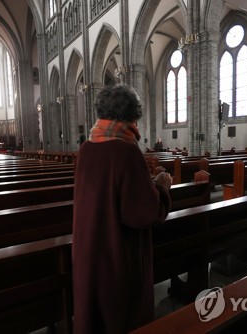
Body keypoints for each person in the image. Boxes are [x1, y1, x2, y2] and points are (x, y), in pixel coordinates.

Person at [73, 84, 172, 334]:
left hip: (89, 250)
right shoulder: (127, 151)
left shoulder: (86, 149)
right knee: (120, 318)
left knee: (95, 315)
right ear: (132, 116)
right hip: (117, 254)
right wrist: (161, 188)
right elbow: (144, 214)